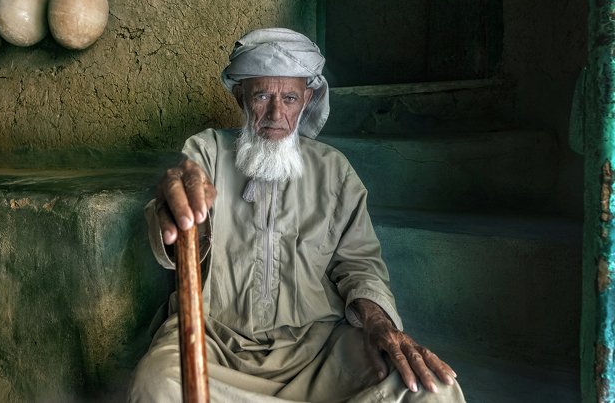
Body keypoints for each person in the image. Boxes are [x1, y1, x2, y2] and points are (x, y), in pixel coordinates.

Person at [128, 28, 466, 402]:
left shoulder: (334, 171)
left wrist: (378, 323)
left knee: (431, 390)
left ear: (307, 99)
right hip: (213, 341)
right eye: (261, 96)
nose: (276, 114)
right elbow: (184, 216)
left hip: (317, 349)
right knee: (156, 386)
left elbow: (360, 266)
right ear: (241, 95)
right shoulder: (206, 151)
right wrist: (187, 211)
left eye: (289, 98)